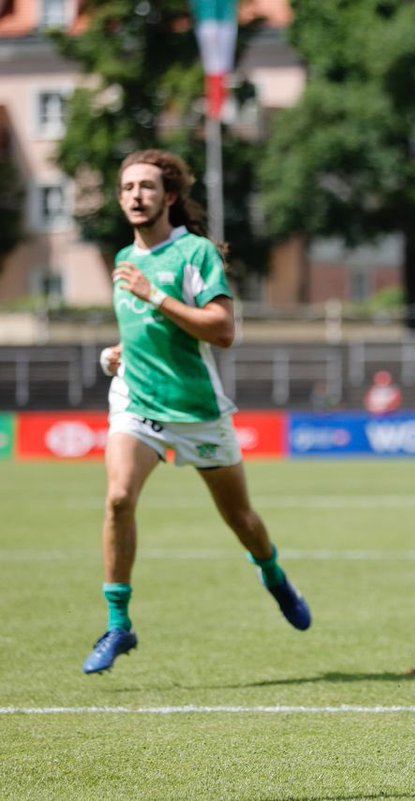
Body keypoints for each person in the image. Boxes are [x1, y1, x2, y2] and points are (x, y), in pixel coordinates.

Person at [84, 150, 310, 675]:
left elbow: (223, 331)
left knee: (241, 519)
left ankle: (272, 573)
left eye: (145, 186)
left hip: (197, 412)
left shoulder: (195, 254)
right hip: (136, 403)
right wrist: (116, 353)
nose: (135, 195)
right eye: (126, 187)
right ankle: (119, 624)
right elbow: (142, 331)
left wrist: (155, 295)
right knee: (118, 498)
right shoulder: (125, 260)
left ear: (170, 197)